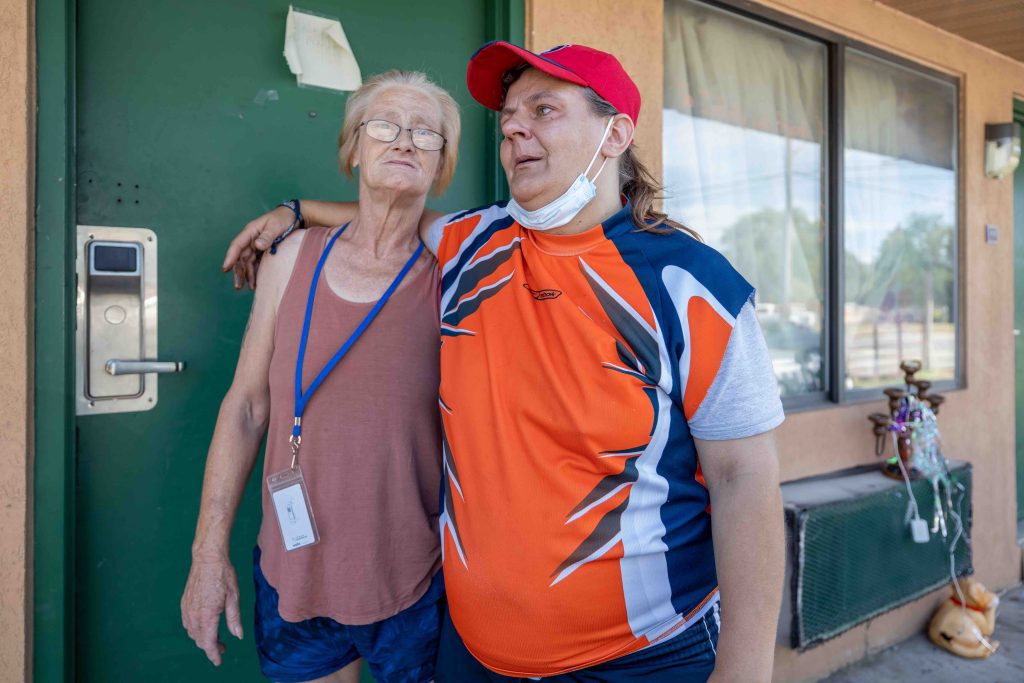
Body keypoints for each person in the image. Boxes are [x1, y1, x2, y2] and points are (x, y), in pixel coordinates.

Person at [224, 42, 785, 683]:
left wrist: (745, 670)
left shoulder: (691, 282)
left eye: (544, 109)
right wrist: (293, 212)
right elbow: (389, 216)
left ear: (615, 134)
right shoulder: (473, 244)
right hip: (474, 653)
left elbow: (745, 479)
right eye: (509, 115)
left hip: (645, 656)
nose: (514, 126)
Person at [182, 70, 461, 683]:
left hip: (416, 579)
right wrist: (209, 554)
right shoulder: (290, 258)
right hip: (293, 567)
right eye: (384, 126)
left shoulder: (457, 267)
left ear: (442, 164)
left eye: (427, 133)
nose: (406, 141)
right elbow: (247, 407)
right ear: (353, 148)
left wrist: (299, 206)